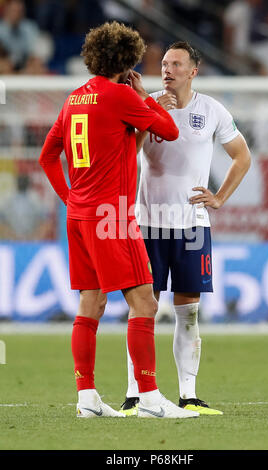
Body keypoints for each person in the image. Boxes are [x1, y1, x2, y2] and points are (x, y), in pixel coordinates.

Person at [39, 22, 199, 420]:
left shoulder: (74, 98)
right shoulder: (119, 96)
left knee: (90, 302)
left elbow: (47, 156)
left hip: (78, 216)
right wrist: (144, 97)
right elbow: (168, 129)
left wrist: (69, 198)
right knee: (143, 300)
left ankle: (87, 398)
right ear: (126, 61)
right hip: (111, 215)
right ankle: (149, 398)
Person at [120, 41, 251, 416]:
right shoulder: (144, 105)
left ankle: (189, 395)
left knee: (189, 311)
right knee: (142, 310)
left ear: (193, 71)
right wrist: (149, 114)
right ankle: (135, 394)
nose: (168, 69)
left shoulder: (211, 110)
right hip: (148, 222)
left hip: (192, 225)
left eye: (176, 64)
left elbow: (242, 156)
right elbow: (126, 154)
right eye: (164, 63)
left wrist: (220, 197)